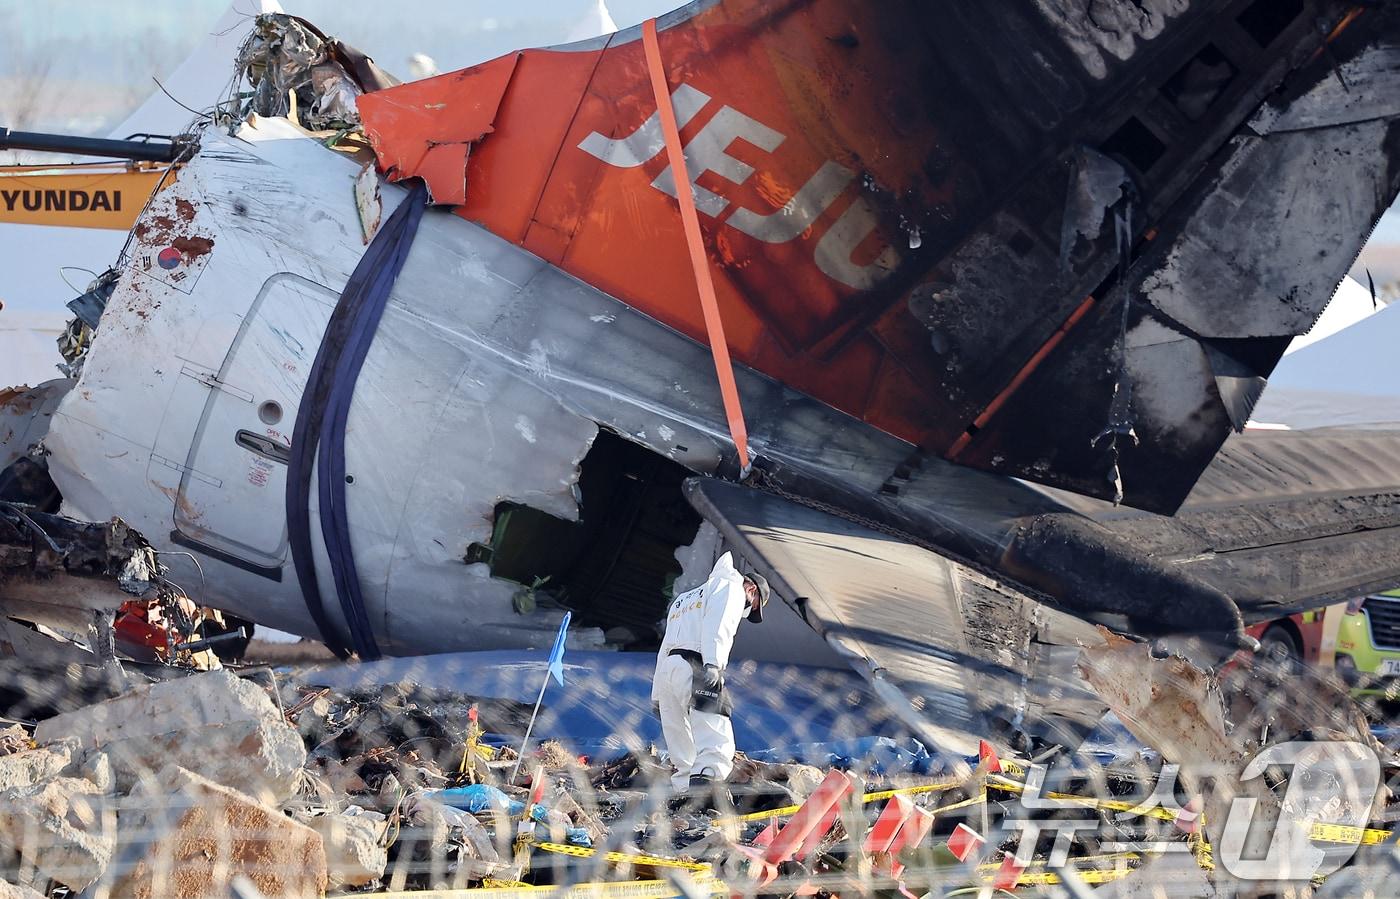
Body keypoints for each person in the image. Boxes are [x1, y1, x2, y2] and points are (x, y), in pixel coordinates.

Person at [652, 551, 769, 793]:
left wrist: (657, 693)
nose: (747, 610)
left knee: (679, 732)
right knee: (714, 719)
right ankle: (709, 779)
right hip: (697, 661)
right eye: (752, 607)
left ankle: (684, 786)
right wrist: (714, 664)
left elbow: (666, 644)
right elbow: (720, 625)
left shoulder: (684, 598)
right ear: (752, 590)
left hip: (668, 667)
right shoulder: (731, 588)